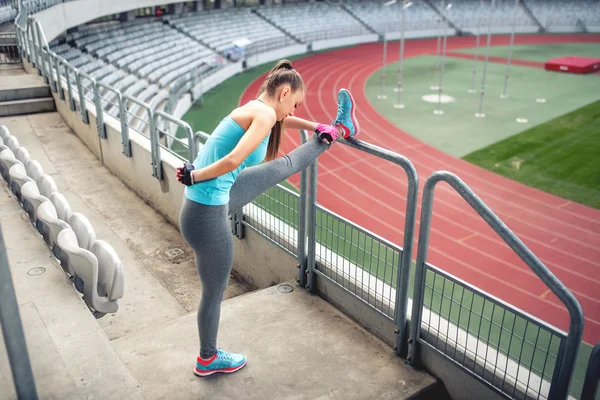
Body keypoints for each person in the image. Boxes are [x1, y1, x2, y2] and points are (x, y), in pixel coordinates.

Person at [176, 59, 360, 377]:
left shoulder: (258, 109)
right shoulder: (263, 115)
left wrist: (313, 126)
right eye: (295, 104)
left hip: (204, 206)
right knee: (214, 292)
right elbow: (234, 158)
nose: (293, 111)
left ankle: (336, 128)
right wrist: (195, 175)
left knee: (281, 166)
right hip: (207, 215)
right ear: (284, 92)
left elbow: (281, 122)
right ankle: (208, 357)